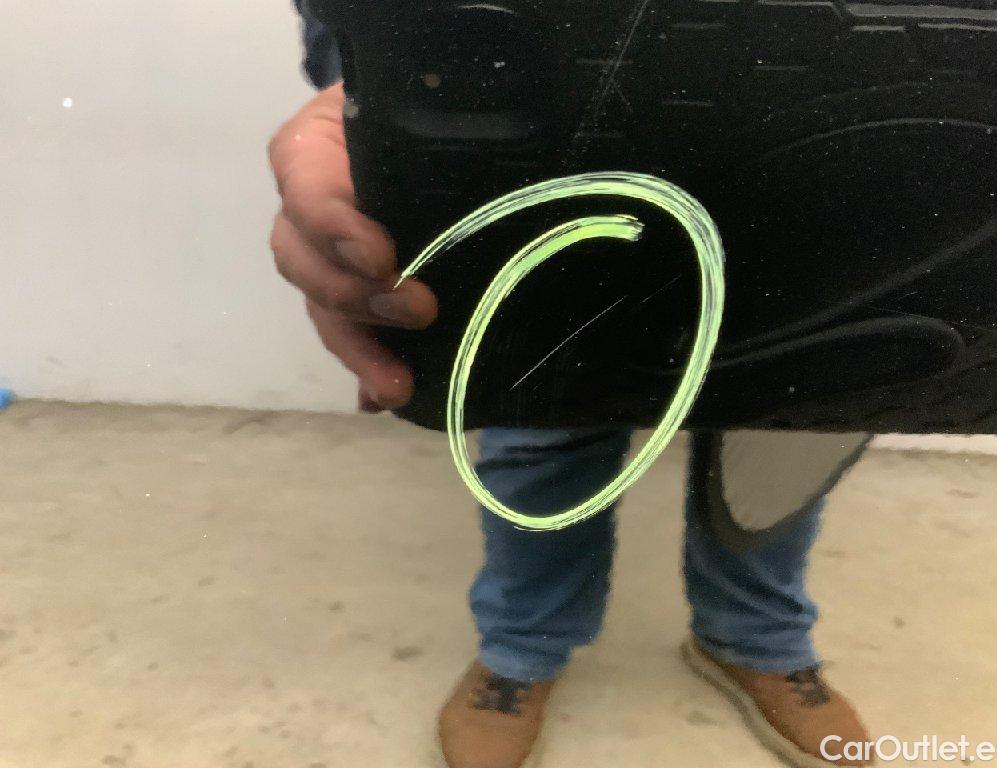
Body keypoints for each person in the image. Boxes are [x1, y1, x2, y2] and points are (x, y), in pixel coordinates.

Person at [266, 8, 872, 766]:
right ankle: (522, 651)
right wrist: (397, 65)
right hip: (545, 53)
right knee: (544, 394)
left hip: (840, 77)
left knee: (795, 406)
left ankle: (755, 639)